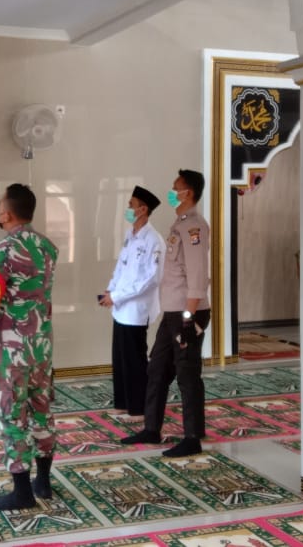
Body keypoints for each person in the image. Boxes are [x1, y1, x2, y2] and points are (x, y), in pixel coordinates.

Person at [0, 183, 59, 510]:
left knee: (11, 414)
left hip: (12, 348)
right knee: (41, 408)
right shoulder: (48, 247)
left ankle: (22, 492)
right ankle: (43, 482)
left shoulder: (0, 251)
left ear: (6, 214)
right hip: (42, 345)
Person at [121, 169, 211, 457]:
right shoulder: (179, 225)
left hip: (187, 313)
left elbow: (198, 275)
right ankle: (152, 428)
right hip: (172, 312)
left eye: (176, 188)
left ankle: (193, 437)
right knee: (157, 368)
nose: (172, 192)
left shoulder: (195, 227)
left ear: (188, 193)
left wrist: (188, 318)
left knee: (187, 374)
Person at [99, 186, 163, 420]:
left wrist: (117, 296)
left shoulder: (154, 240)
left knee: (135, 360)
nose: (128, 208)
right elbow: (121, 267)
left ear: (143, 210)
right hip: (120, 308)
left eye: (131, 205)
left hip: (136, 310)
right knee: (120, 358)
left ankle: (139, 408)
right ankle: (123, 403)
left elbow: (149, 279)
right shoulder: (130, 235)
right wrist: (110, 289)